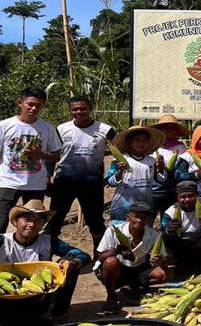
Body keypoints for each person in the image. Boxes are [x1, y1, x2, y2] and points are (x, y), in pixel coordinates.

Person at [0, 199, 91, 321]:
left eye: (38, 220)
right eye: (27, 220)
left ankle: (57, 314)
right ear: (16, 222)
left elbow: (83, 255)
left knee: (68, 265)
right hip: (7, 296)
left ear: (43, 224)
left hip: (40, 296)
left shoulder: (48, 241)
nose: (32, 224)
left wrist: (72, 262)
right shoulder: (3, 241)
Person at [47, 95, 116, 252]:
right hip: (64, 182)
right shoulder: (61, 129)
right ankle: (47, 252)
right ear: (70, 111)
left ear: (90, 109)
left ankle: (99, 255)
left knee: (95, 221)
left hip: (92, 183)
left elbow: (120, 150)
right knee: (54, 219)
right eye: (75, 109)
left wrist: (116, 170)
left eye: (83, 108)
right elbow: (52, 155)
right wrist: (47, 177)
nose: (79, 112)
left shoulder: (105, 130)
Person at [0, 87, 62, 233]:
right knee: (1, 222)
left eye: (38, 105)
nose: (34, 108)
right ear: (20, 103)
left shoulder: (47, 128)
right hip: (7, 182)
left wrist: (40, 155)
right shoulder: (4, 126)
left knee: (33, 225)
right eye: (30, 104)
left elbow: (57, 155)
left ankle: (29, 254)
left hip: (35, 185)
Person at [95, 204, 168, 314]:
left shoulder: (153, 235)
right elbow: (100, 256)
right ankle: (111, 296)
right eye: (136, 216)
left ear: (147, 220)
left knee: (164, 274)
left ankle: (131, 286)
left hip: (138, 268)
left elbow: (163, 258)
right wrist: (117, 251)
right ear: (127, 217)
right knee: (110, 262)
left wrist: (159, 261)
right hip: (118, 269)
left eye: (143, 218)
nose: (139, 220)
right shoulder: (113, 231)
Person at [105, 126, 166, 224]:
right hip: (123, 206)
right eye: (137, 140)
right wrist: (120, 172)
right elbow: (110, 181)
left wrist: (161, 169)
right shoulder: (120, 160)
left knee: (142, 233)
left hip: (145, 205)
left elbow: (160, 180)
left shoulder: (151, 161)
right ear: (129, 142)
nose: (141, 143)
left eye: (144, 140)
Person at [161, 181, 201, 274]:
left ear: (197, 195)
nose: (187, 200)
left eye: (191, 196)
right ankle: (181, 266)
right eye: (182, 197)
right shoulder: (170, 212)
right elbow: (164, 240)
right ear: (177, 197)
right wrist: (168, 231)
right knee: (165, 250)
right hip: (183, 244)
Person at [149, 114, 189, 219]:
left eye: (172, 128)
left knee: (168, 218)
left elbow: (183, 168)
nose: (169, 130)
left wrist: (169, 169)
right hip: (153, 189)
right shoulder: (152, 146)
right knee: (149, 218)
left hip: (172, 189)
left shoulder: (180, 147)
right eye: (165, 127)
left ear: (176, 131)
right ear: (159, 130)